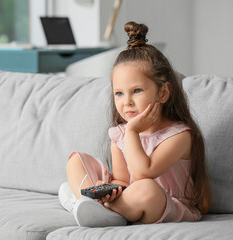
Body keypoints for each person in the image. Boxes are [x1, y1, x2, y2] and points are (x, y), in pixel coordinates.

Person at [58, 21, 212, 227]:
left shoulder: (179, 135)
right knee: (76, 160)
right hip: (130, 198)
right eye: (119, 93)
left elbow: (142, 174)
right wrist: (111, 191)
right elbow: (123, 181)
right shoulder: (119, 135)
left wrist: (132, 131)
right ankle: (100, 206)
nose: (126, 101)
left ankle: (87, 205)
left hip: (164, 203)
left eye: (137, 91)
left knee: (147, 188)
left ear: (163, 92)